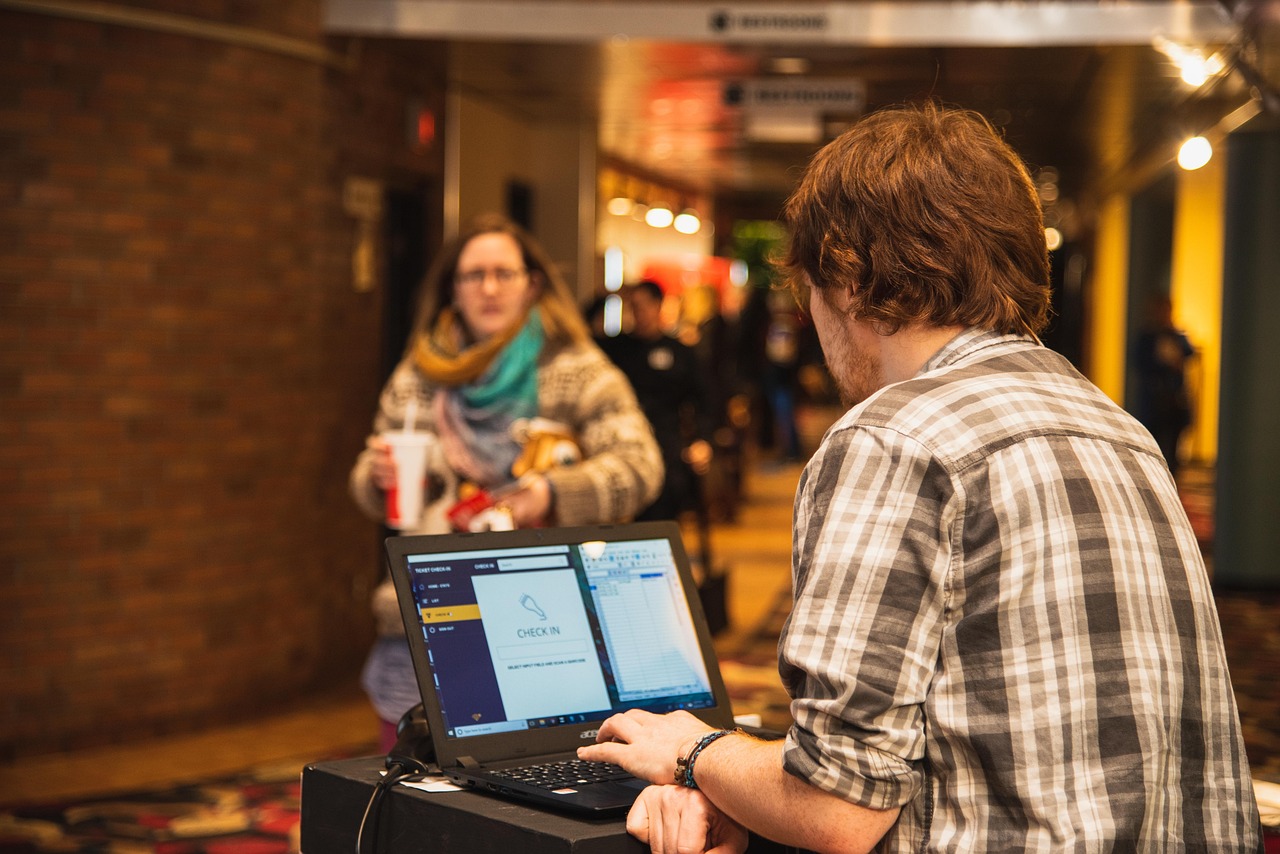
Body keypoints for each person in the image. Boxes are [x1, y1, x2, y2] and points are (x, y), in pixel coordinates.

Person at [579, 104, 1261, 852]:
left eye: (807, 289)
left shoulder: (893, 437)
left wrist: (694, 752)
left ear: (844, 273)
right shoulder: (1114, 426)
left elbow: (837, 807)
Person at [350, 214, 663, 750]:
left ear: (532, 283)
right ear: (453, 287)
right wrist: (374, 476)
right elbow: (371, 465)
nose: (489, 288)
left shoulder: (576, 368)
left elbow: (641, 466)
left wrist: (554, 493)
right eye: (473, 275)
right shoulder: (420, 372)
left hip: (543, 617)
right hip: (432, 614)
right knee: (410, 779)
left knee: (525, 772)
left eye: (504, 273)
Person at [601, 279, 714, 522]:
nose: (639, 313)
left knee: (665, 512)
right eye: (633, 306)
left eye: (644, 305)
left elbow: (703, 398)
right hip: (622, 445)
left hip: (667, 446)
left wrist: (702, 440)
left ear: (658, 305)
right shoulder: (616, 348)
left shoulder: (680, 352)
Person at [1132, 294, 1196, 479]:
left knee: (1173, 452)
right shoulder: (1146, 336)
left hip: (1174, 402)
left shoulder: (1175, 334)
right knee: (1153, 447)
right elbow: (1141, 363)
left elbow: (1189, 352)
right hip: (1153, 403)